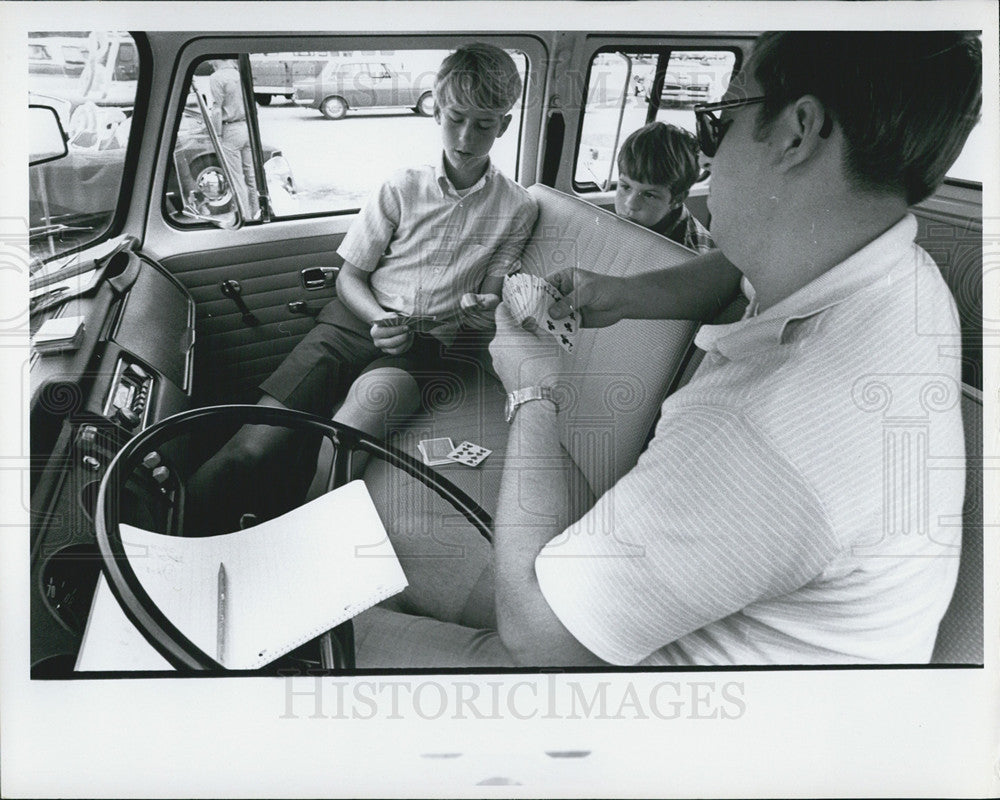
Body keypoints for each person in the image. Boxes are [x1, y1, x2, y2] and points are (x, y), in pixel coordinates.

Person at [352, 31, 981, 666]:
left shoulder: (757, 437)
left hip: (650, 709)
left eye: (721, 120)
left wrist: (532, 389)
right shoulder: (897, 273)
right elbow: (728, 270)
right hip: (689, 626)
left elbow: (538, 637)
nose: (708, 158)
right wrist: (620, 295)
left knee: (330, 644)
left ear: (798, 132)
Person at [187, 44, 537, 532]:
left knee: (340, 457)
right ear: (437, 110)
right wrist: (378, 320)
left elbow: (492, 292)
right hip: (353, 323)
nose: (466, 136)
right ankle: (165, 539)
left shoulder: (518, 208)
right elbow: (350, 277)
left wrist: (482, 306)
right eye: (456, 117)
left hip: (421, 348)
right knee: (250, 446)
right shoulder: (400, 187)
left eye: (484, 124)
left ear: (503, 125)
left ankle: (295, 546)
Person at [614, 121, 714, 253]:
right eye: (626, 187)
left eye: (649, 195)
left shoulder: (687, 255)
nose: (630, 204)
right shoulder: (639, 223)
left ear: (676, 200)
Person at [207, 59, 261, 219]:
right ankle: (256, 212)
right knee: (250, 176)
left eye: (212, 62)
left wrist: (216, 134)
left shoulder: (217, 77)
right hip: (246, 127)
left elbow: (217, 109)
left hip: (230, 129)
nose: (211, 64)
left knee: (236, 178)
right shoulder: (240, 74)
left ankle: (244, 217)